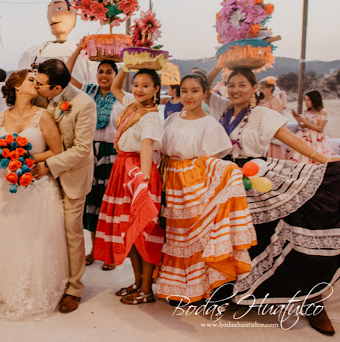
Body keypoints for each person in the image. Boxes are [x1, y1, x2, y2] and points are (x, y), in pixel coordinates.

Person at [206, 66, 340, 335]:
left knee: (280, 232)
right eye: (231, 84)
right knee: (230, 238)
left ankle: (312, 299)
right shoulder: (222, 107)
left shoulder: (262, 114)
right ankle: (233, 292)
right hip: (224, 179)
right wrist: (223, 61)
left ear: (255, 87)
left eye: (242, 84)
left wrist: (324, 160)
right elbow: (203, 83)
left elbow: (288, 138)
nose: (235, 90)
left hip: (255, 179)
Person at [0, 69, 68, 320]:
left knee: (30, 240)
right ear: (16, 86)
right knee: (4, 235)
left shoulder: (43, 117)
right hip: (6, 184)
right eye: (31, 80)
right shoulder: (1, 118)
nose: (36, 84)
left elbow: (56, 150)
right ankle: (0, 286)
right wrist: (6, 159)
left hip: (36, 184)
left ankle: (28, 290)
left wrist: (27, 158)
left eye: (37, 81)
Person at [156, 74, 256, 304]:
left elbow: (212, 165)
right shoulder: (171, 119)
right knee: (175, 235)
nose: (188, 96)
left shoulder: (210, 124)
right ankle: (178, 286)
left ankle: (201, 288)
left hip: (195, 186)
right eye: (184, 91)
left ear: (204, 93)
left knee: (196, 235)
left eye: (194, 91)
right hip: (171, 184)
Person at [94, 67, 165, 305]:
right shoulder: (133, 106)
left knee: (142, 233)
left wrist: (142, 181)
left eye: (146, 85)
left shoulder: (151, 116)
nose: (139, 90)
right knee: (129, 233)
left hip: (137, 172)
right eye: (136, 85)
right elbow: (115, 87)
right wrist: (126, 67)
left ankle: (147, 289)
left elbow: (146, 145)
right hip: (122, 170)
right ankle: (137, 282)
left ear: (157, 89)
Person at [32, 58, 97, 313]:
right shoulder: (45, 98)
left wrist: (48, 165)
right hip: (47, 177)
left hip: (72, 176)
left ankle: (74, 288)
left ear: (57, 89)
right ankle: (54, 278)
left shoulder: (84, 104)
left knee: (72, 232)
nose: (36, 87)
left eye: (41, 85)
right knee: (50, 230)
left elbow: (82, 151)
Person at [66, 49, 124, 270]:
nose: (104, 76)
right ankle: (93, 250)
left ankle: (108, 253)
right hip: (88, 151)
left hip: (111, 153)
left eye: (109, 72)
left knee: (108, 204)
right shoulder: (87, 91)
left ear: (116, 75)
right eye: (101, 71)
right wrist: (78, 50)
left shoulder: (121, 96)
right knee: (90, 202)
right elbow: (67, 74)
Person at [18, 0, 97, 84]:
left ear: (72, 13)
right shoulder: (34, 52)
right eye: (49, 11)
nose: (52, 18)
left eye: (59, 8)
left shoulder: (83, 51)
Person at [286, 90, 333, 163]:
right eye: (305, 100)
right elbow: (303, 126)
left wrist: (306, 122)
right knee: (299, 152)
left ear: (315, 100)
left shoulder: (322, 112)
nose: (306, 102)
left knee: (315, 156)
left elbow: (320, 128)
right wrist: (298, 119)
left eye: (308, 100)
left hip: (317, 138)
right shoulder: (306, 111)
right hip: (305, 135)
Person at [258, 77, 286, 159]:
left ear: (270, 88)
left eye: (262, 88)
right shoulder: (259, 100)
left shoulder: (275, 101)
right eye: (259, 88)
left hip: (270, 134)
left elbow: (276, 118)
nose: (260, 90)